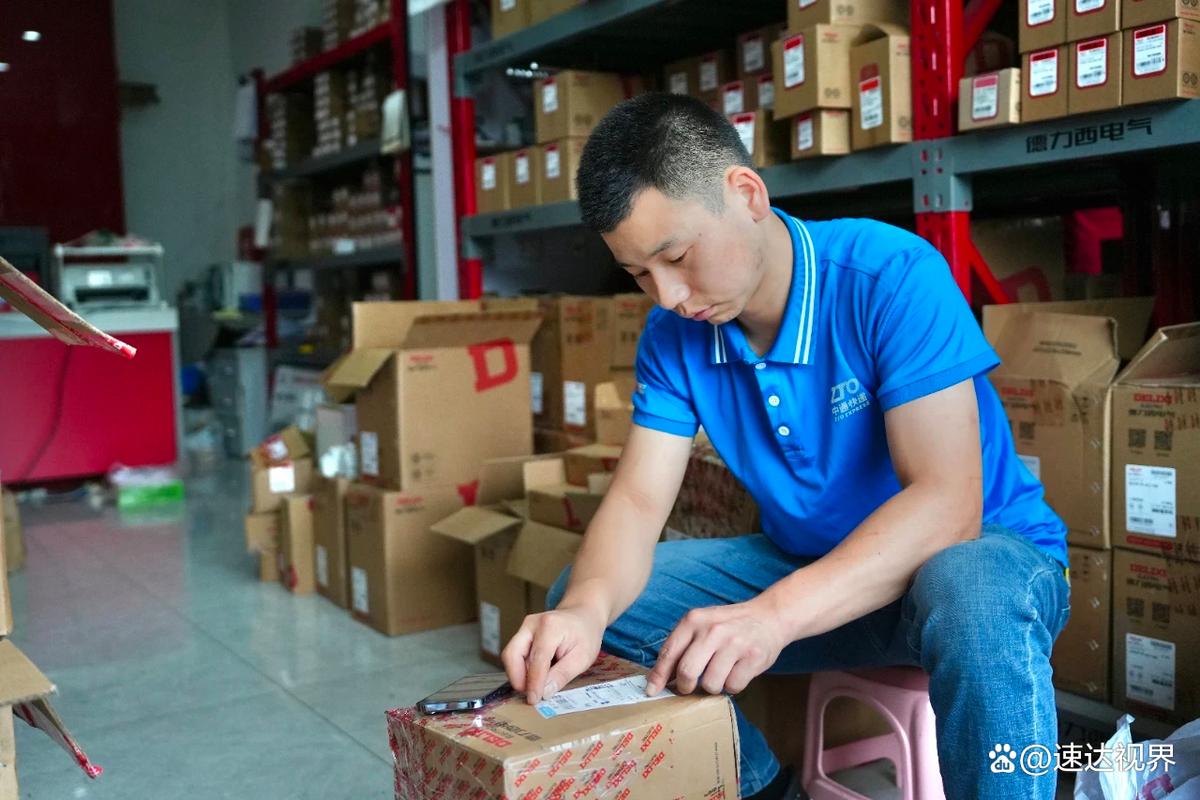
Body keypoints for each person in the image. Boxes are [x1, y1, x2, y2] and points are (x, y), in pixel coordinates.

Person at [501, 93, 1071, 800]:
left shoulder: (890, 276)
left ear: (746, 194)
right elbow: (639, 501)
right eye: (640, 275)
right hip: (814, 570)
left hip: (980, 560)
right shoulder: (674, 336)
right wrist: (585, 610)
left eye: (676, 256)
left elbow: (947, 507)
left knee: (968, 589)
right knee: (593, 601)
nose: (668, 295)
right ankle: (768, 790)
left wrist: (773, 616)